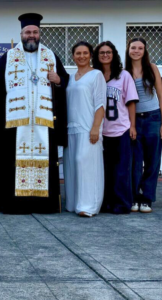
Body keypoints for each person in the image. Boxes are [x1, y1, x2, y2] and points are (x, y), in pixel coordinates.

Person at [0, 13, 69, 214]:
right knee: (13, 163)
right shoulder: (8, 57)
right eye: (28, 32)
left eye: (35, 32)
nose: (32, 35)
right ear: (21, 34)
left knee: (46, 160)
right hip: (16, 123)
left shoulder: (51, 56)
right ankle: (15, 205)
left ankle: (44, 205)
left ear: (40, 33)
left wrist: (59, 80)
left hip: (44, 121)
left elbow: (65, 82)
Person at [93, 41, 138, 215]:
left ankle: (122, 203)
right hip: (101, 131)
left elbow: (131, 102)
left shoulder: (124, 75)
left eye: (108, 52)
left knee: (121, 170)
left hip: (121, 129)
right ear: (97, 56)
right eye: (102, 52)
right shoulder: (95, 75)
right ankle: (105, 202)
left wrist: (132, 126)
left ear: (114, 54)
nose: (105, 55)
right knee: (104, 169)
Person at [125, 38, 162, 213]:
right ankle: (134, 196)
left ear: (145, 50)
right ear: (128, 50)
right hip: (133, 120)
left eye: (140, 48)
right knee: (135, 161)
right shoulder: (124, 71)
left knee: (153, 161)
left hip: (153, 118)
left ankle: (147, 198)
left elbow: (161, 96)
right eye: (133, 47)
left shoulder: (152, 68)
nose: (136, 51)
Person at [63, 41, 105, 217]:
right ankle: (74, 203)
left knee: (85, 164)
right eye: (78, 53)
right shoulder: (71, 77)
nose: (81, 56)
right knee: (71, 166)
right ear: (73, 56)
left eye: (85, 53)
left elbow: (100, 104)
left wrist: (95, 127)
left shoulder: (96, 75)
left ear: (90, 55)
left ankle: (89, 205)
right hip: (71, 128)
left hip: (88, 128)